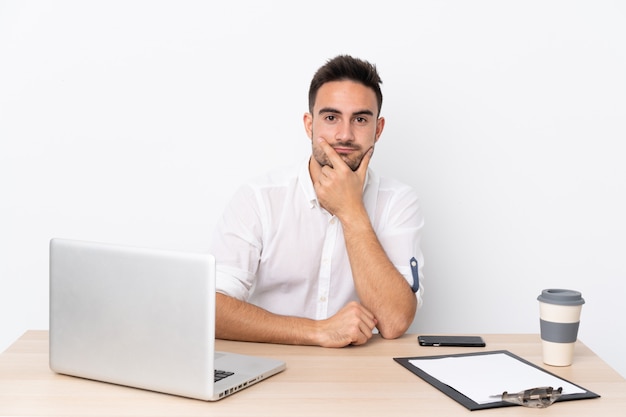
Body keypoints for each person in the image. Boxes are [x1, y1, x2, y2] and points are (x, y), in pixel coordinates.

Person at [208, 55, 424, 348]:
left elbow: (395, 320)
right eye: (331, 118)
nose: (344, 135)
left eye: (360, 119)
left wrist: (351, 211)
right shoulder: (259, 198)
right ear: (310, 125)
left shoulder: (398, 202)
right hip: (271, 370)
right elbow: (212, 309)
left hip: (359, 378)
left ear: (378, 129)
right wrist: (317, 331)